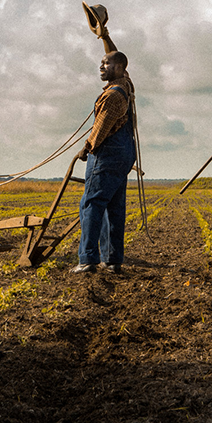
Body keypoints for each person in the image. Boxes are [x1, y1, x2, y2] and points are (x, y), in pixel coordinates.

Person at [72, 51, 136, 274]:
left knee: (91, 204)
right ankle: (112, 260)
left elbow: (100, 130)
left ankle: (87, 259)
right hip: (124, 155)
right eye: (101, 63)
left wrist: (85, 149)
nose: (102, 67)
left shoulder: (112, 95)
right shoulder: (127, 87)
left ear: (119, 68)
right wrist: (103, 34)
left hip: (107, 155)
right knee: (115, 208)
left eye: (107, 63)